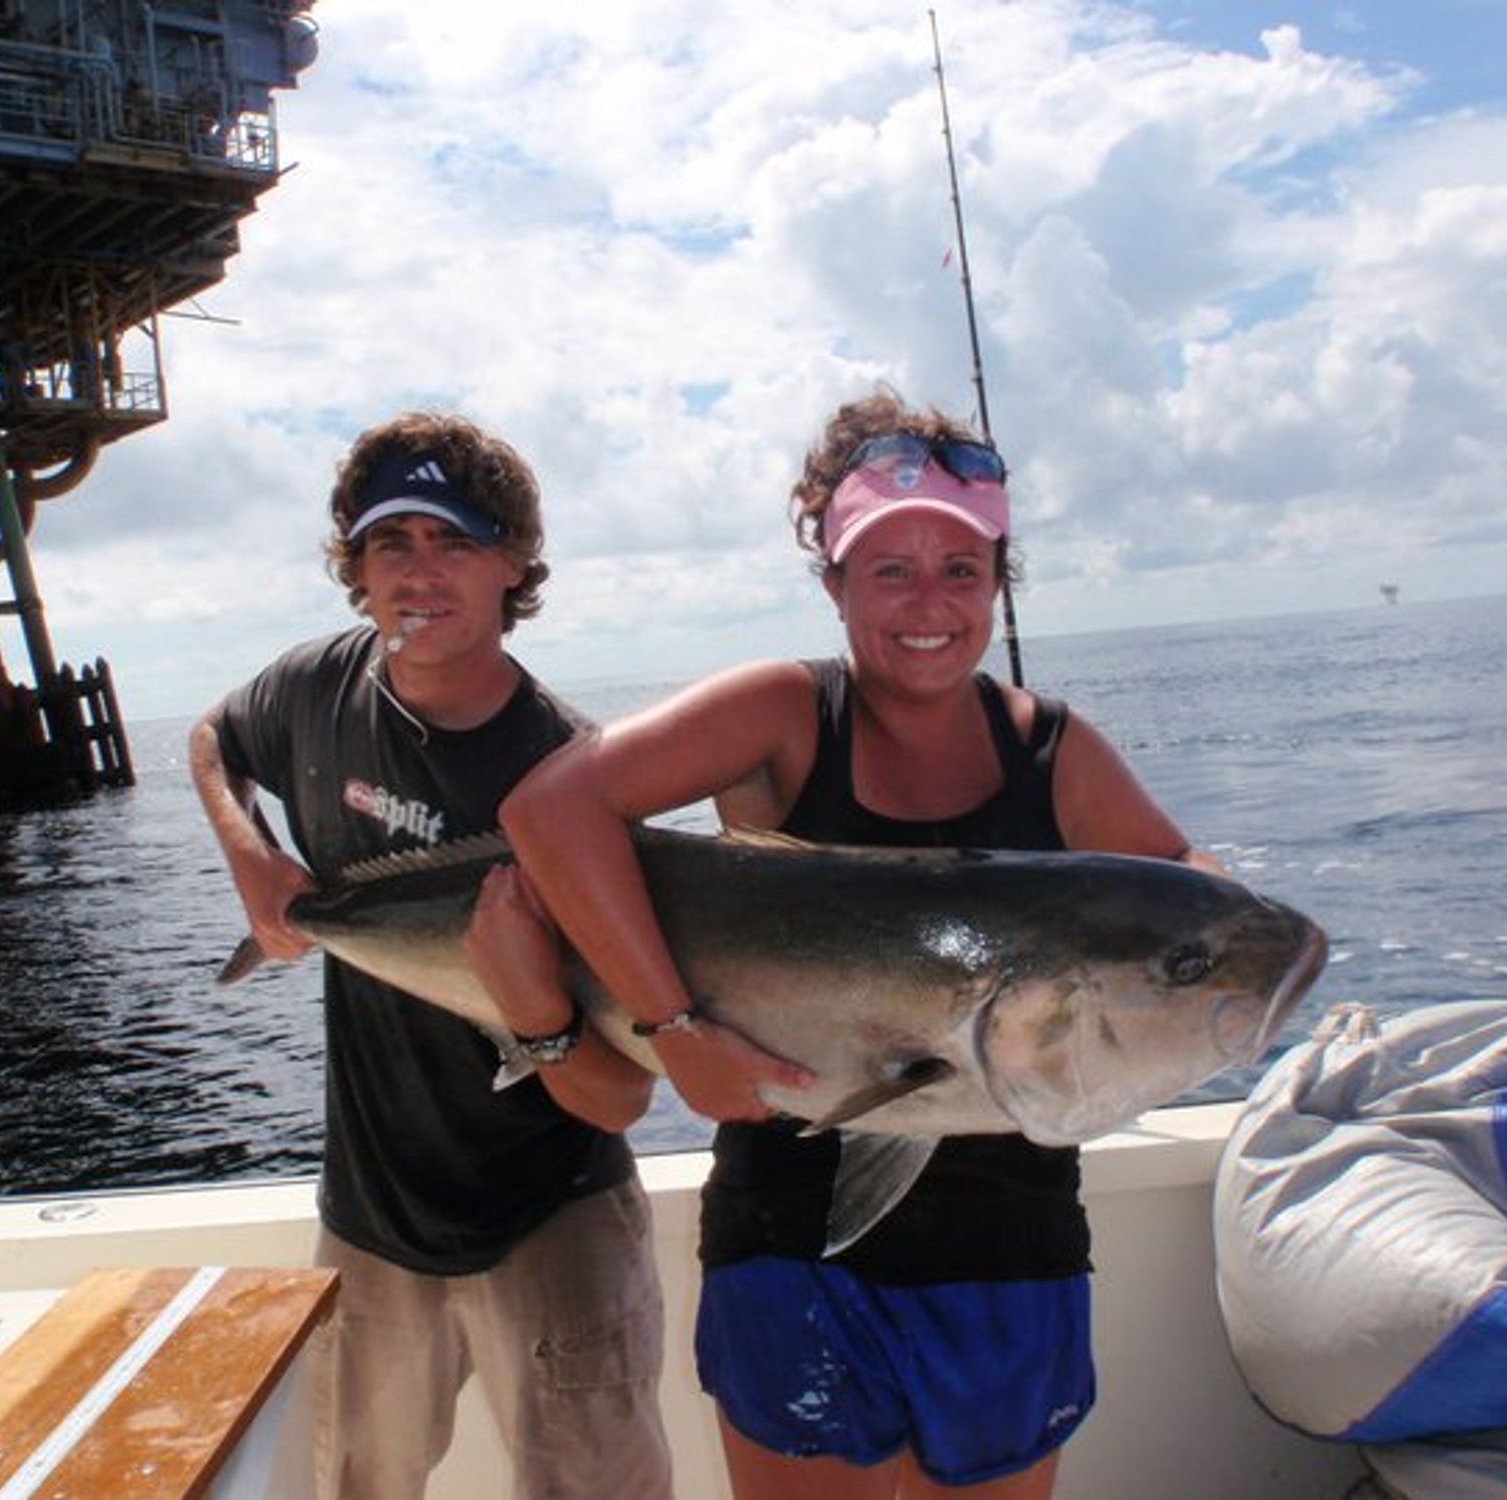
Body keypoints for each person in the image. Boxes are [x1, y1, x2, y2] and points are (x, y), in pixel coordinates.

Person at [496, 390, 1221, 1500]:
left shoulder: (1054, 752)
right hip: (786, 1241)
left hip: (1011, 1247)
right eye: (887, 569)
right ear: (832, 584)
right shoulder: (783, 716)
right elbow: (551, 813)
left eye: (960, 569)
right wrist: (671, 1027)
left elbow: (1193, 900)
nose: (926, 603)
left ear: (996, 586)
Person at [188, 412, 671, 1500]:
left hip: (551, 1218)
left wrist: (535, 1010)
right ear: (352, 570)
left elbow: (618, 1100)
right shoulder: (317, 687)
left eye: (452, 541)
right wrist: (252, 858)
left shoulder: (570, 779)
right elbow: (213, 738)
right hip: (370, 1219)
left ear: (513, 565)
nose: (418, 571)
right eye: (388, 543)